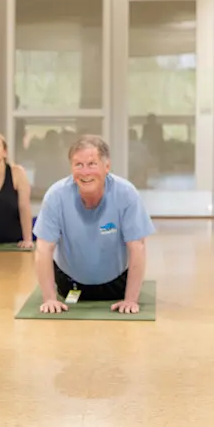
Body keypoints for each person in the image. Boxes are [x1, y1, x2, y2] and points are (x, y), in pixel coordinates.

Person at [32, 134, 156, 315]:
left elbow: (138, 247)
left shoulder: (127, 194)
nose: (85, 172)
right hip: (70, 283)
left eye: (92, 164)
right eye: (78, 165)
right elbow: (43, 248)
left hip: (116, 283)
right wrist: (49, 298)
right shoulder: (55, 196)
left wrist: (130, 300)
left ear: (107, 166)